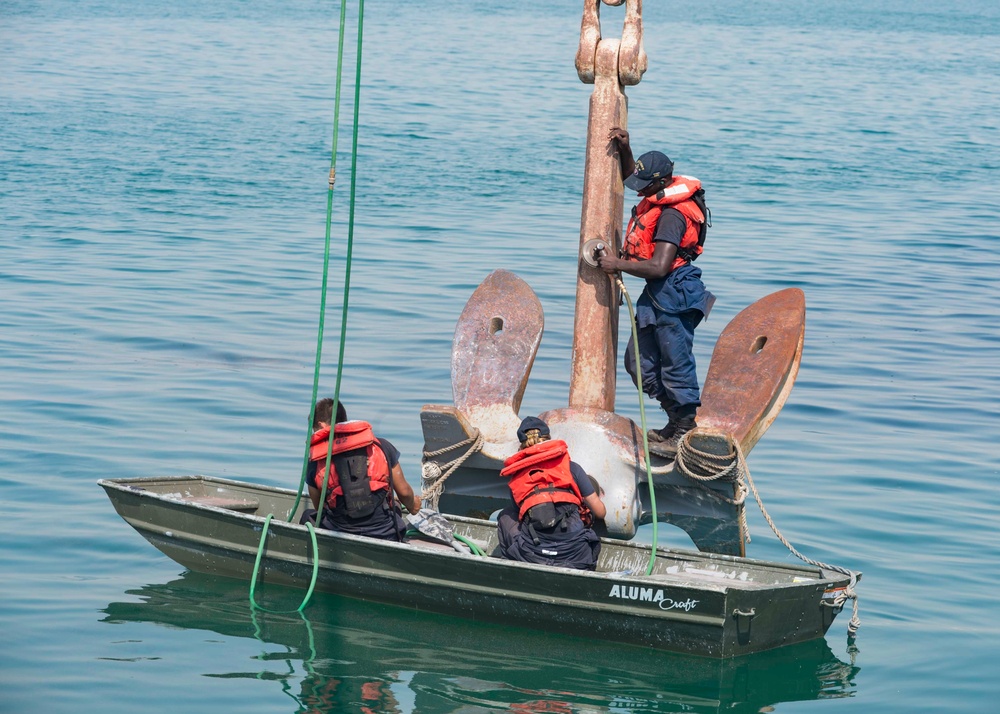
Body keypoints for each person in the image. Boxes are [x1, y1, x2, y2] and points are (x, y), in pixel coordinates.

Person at [597, 127, 715, 458]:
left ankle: (684, 427)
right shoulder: (657, 192)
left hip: (676, 290)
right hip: (658, 293)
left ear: (662, 183)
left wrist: (615, 264)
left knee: (675, 363)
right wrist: (625, 149)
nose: (640, 190)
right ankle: (675, 420)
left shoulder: (674, 216)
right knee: (638, 363)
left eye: (645, 185)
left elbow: (660, 266)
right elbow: (637, 178)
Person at [301, 398, 420, 541]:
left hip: (339, 532)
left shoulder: (316, 459)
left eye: (315, 431)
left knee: (308, 516)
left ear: (321, 426)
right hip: (385, 533)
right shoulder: (382, 446)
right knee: (395, 506)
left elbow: (320, 508)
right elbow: (404, 492)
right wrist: (413, 506)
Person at [496, 417, 607, 570]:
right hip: (577, 557)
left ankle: (512, 567)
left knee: (505, 515)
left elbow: (519, 515)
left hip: (532, 556)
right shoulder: (572, 468)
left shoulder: (517, 477)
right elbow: (600, 513)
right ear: (548, 439)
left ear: (522, 446)